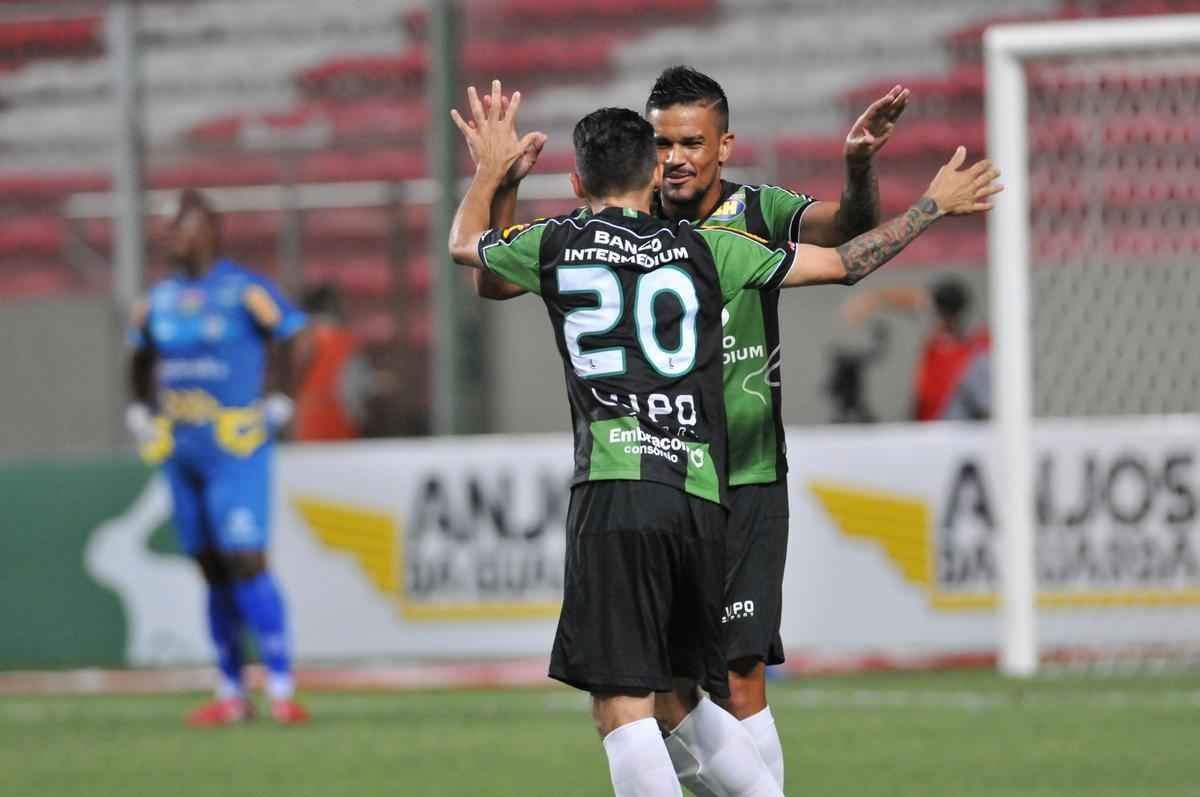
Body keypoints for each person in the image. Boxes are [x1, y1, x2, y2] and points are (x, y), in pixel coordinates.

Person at [450, 79, 999, 796]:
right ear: (650, 168)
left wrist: (494, 171)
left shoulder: (562, 242)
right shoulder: (710, 249)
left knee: (627, 702)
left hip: (630, 483)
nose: (676, 159)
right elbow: (847, 262)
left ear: (578, 178)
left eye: (691, 143)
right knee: (685, 692)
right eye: (665, 147)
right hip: (700, 489)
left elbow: (468, 250)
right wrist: (932, 205)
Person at [125, 189, 310, 726]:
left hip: (236, 448)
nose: (171, 235)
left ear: (210, 229)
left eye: (181, 224)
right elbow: (138, 359)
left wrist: (279, 402)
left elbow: (299, 339)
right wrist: (140, 411)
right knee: (209, 567)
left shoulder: (244, 291)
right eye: (168, 226)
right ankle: (231, 692)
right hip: (182, 448)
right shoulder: (156, 300)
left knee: (246, 558)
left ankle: (280, 688)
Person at [844, 276, 991, 421]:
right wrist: (871, 299)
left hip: (956, 427)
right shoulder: (936, 331)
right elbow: (911, 300)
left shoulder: (977, 346)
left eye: (936, 308)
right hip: (925, 422)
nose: (931, 312)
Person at [293, 283, 371, 441]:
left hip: (308, 420)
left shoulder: (303, 337)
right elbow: (352, 388)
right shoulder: (345, 340)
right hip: (337, 420)